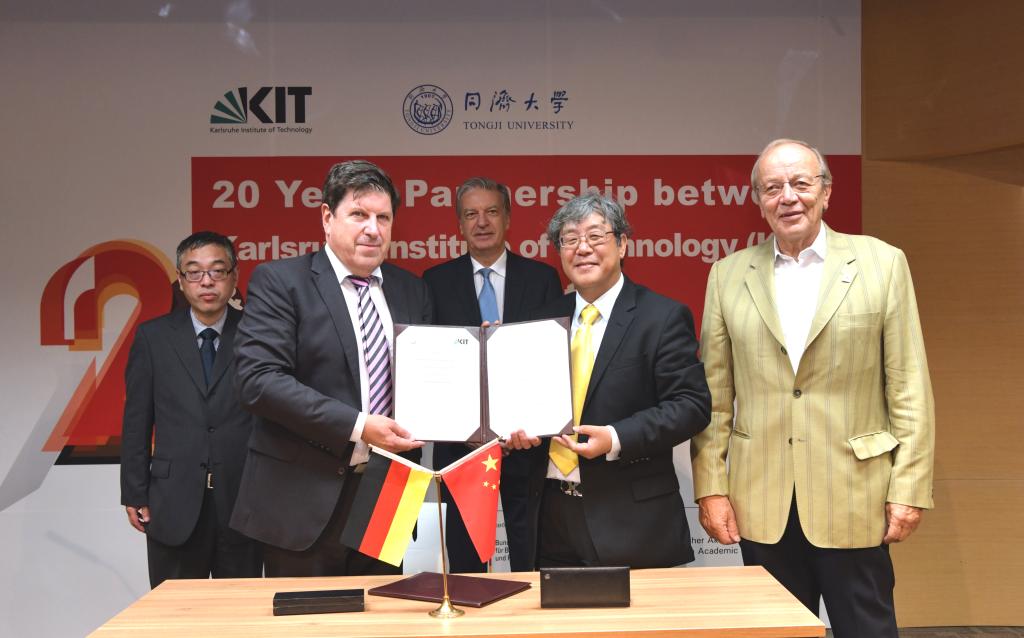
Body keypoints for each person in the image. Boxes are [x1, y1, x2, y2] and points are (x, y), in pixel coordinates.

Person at [690, 139, 935, 638]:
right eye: (772, 188)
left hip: (856, 495)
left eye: (800, 183)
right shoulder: (727, 275)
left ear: (826, 191)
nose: (788, 197)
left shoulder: (883, 263)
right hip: (762, 500)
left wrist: (909, 488)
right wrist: (711, 488)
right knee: (775, 633)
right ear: (759, 200)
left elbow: (908, 387)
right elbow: (714, 398)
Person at [229, 160, 431, 577]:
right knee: (310, 614)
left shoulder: (412, 290)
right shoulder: (281, 282)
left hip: (387, 499)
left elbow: (432, 378)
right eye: (358, 214)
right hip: (301, 500)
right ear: (327, 217)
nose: (373, 229)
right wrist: (359, 426)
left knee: (383, 613)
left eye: (383, 218)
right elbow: (258, 382)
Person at [507, 193, 711, 568]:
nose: (582, 248)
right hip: (549, 517)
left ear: (622, 244)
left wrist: (616, 437)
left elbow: (691, 406)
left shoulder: (661, 317)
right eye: (570, 239)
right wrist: (510, 429)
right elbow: (519, 405)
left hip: (631, 523)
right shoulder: (540, 322)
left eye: (595, 236)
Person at [423, 176, 562, 573]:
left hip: (526, 442)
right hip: (462, 446)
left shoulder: (542, 279)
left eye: (491, 212)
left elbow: (550, 361)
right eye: (471, 214)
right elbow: (431, 362)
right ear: (459, 225)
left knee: (531, 554)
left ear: (508, 219)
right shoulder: (434, 281)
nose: (481, 222)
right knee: (466, 563)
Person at [120, 231, 262, 588]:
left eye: (217, 270)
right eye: (195, 272)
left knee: (240, 609)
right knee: (176, 611)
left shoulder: (259, 335)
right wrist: (134, 491)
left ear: (234, 276)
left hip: (244, 500)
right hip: (172, 501)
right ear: (181, 281)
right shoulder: (153, 337)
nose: (206, 281)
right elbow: (137, 420)